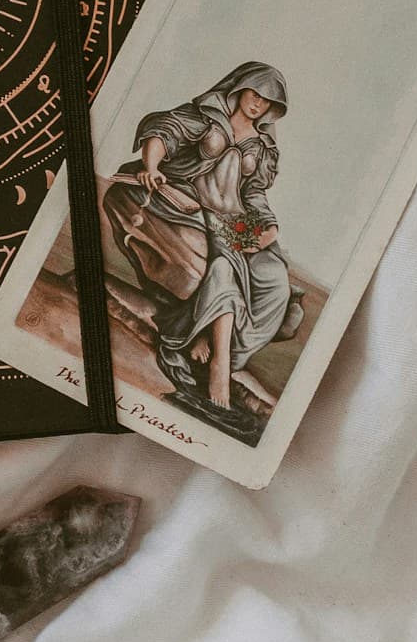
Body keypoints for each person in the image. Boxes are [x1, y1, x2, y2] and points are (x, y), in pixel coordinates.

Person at [102, 62, 295, 414]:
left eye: (266, 102)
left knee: (276, 282)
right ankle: (218, 366)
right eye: (254, 94)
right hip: (187, 204)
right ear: (241, 89)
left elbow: (253, 194)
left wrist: (269, 230)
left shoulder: (263, 144)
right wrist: (152, 166)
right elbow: (164, 132)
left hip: (235, 220)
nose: (257, 104)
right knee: (220, 267)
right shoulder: (208, 115)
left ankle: (209, 337)